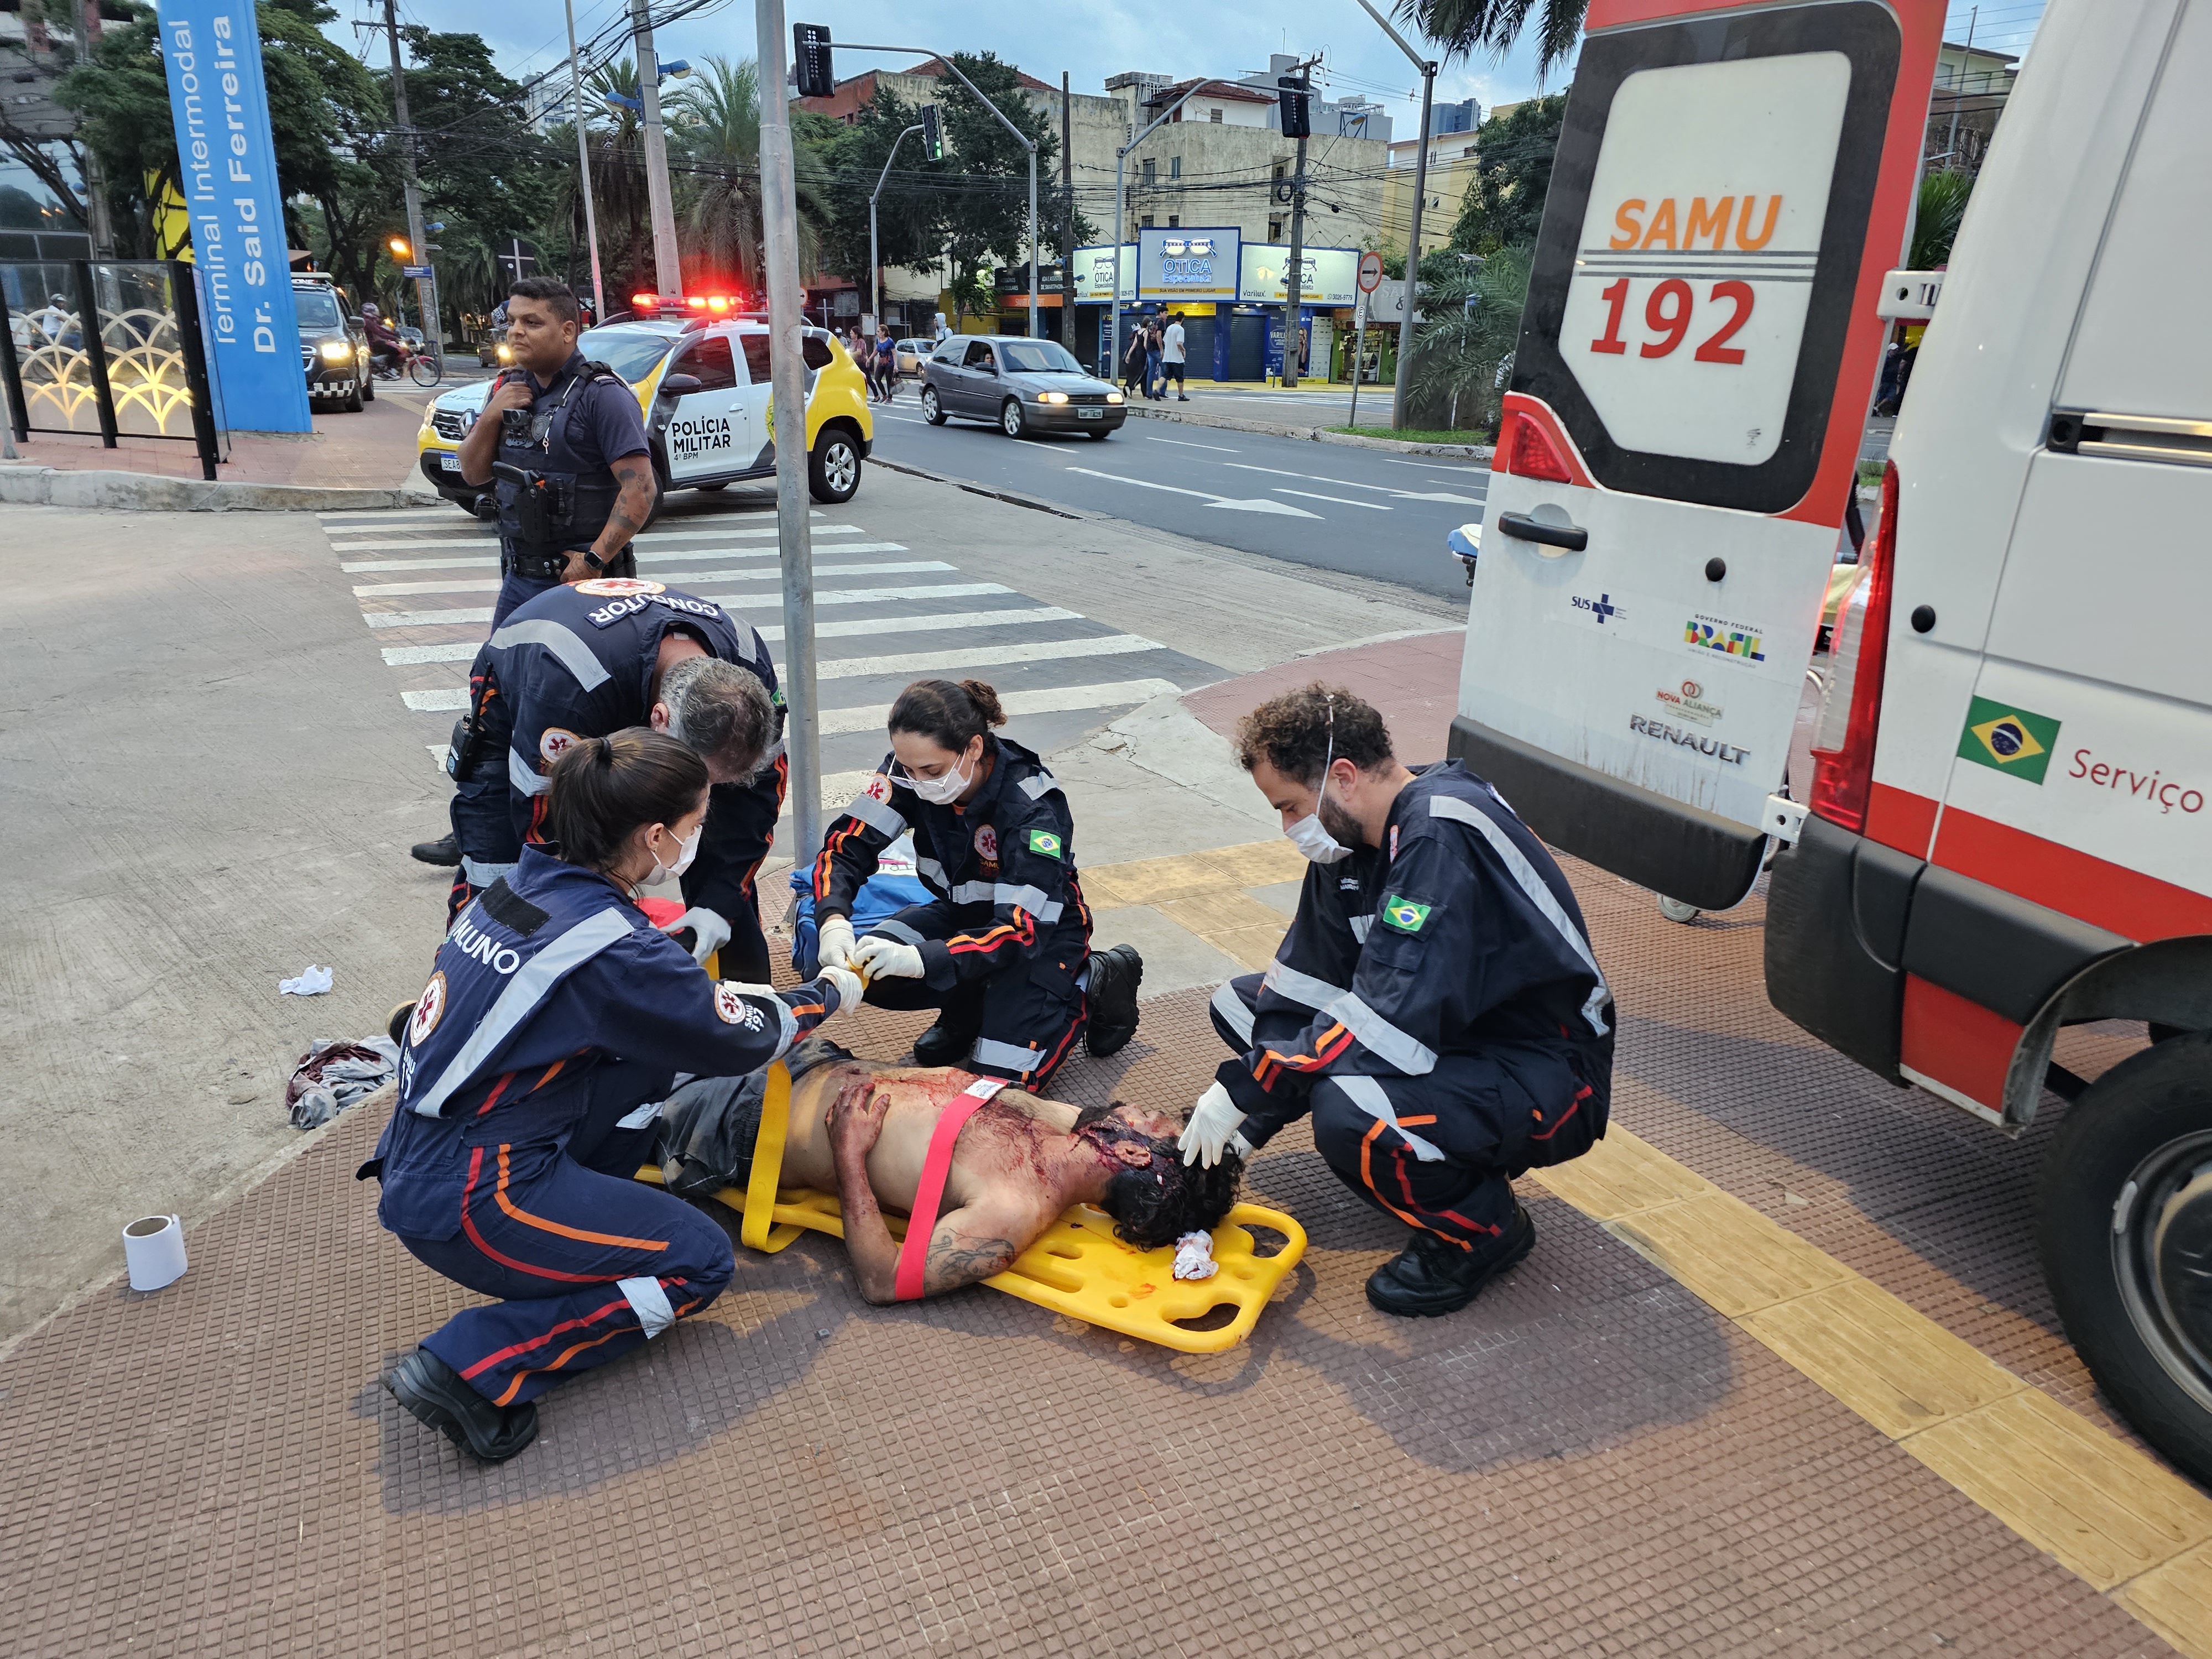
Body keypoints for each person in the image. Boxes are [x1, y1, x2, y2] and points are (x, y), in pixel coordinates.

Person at [368, 730, 864, 1464]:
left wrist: (665, 965)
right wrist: (829, 993)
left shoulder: (521, 885)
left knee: (644, 1062)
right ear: (655, 835)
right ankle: (474, 1366)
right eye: (694, 829)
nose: (695, 843)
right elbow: (742, 1038)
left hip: (434, 1154)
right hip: (476, 1199)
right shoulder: (616, 950)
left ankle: (586, 1217)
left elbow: (602, 994)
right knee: (698, 1261)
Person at [1181, 685, 1615, 1318]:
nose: (1288, 828)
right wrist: (1244, 1130)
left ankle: (1483, 1231)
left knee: (1350, 1111)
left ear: (1343, 776)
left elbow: (1388, 1017)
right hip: (1452, 1034)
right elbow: (1302, 988)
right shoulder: (1350, 845)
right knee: (1243, 1008)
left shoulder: (1440, 833)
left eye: (1290, 806)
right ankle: (1444, 1142)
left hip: (1545, 1068)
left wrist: (1246, 1090)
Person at [658, 1039, 1241, 1302]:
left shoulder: (1013, 1210)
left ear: (1135, 1154)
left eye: (1155, 1121)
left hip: (737, 1121)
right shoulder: (1065, 1127)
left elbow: (882, 1282)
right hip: (806, 1053)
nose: (1145, 1108)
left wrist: (848, 1152)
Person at [442, 578, 787, 984]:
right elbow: (545, 827)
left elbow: (754, 807)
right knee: (497, 867)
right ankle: (464, 991)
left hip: (629, 671)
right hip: (537, 679)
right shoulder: (566, 690)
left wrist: (718, 903)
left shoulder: (750, 674)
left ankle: (745, 1014)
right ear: (658, 720)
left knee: (728, 881)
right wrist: (605, 924)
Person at [808, 678, 1143, 1090]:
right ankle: (971, 1007)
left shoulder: (1031, 808)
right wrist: (833, 919)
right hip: (963, 919)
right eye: (907, 768)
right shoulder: (910, 772)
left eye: (931, 770)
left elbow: (1021, 931)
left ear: (974, 748)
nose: (918, 781)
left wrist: (924, 960)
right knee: (858, 966)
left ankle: (1090, 981)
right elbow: (846, 846)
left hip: (1037, 940)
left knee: (997, 1089)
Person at [454, 275, 655, 633]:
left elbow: (640, 490)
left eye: (532, 323)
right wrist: (491, 416)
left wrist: (594, 560)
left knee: (585, 686)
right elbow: (472, 474)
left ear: (567, 332)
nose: (516, 332)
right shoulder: (506, 388)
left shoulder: (604, 396)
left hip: (584, 584)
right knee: (499, 682)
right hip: (519, 579)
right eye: (512, 321)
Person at [362, 302, 402, 377]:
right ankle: (389, 368)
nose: (377, 313)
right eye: (374, 311)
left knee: (392, 347)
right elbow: (379, 332)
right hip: (371, 344)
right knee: (395, 350)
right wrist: (393, 338)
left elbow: (381, 329)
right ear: (369, 312)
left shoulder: (371, 320)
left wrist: (394, 335)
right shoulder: (367, 321)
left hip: (375, 343)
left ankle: (384, 364)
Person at [1162, 315, 1188, 401]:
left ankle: (1157, 391)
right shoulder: (1180, 329)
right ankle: (1181, 396)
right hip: (1177, 359)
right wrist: (1183, 350)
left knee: (1165, 376)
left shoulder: (1169, 328)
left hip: (1168, 357)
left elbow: (1164, 341)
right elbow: (1179, 343)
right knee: (1180, 378)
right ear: (1183, 319)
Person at [1122, 325, 1148, 399]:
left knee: (1134, 377)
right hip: (1136, 363)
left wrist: (1127, 357)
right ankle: (1130, 387)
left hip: (1130, 363)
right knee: (1140, 377)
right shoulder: (1138, 342)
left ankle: (1128, 391)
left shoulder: (1133, 341)